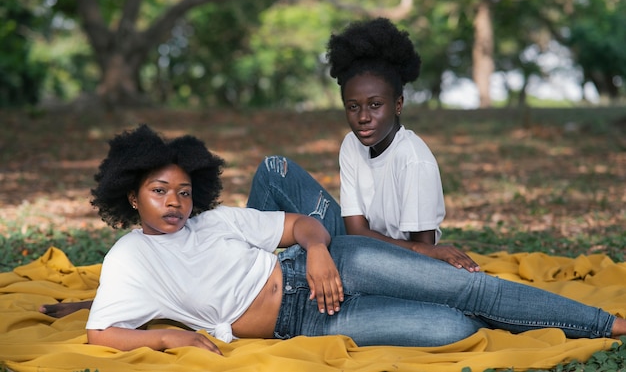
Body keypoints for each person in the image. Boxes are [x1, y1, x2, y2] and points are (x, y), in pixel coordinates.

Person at [42, 125, 626, 354]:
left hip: (323, 268)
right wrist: (171, 338)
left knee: (472, 293)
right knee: (456, 327)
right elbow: (102, 330)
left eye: (185, 191)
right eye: (159, 191)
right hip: (306, 322)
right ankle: (496, 311)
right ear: (131, 197)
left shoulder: (215, 222)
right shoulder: (129, 259)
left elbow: (300, 226)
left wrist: (317, 251)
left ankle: (607, 323)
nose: (175, 203)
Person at [246, 17, 478, 272]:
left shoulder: (414, 160)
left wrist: (414, 252)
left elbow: (424, 256)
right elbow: (355, 230)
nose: (364, 117)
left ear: (398, 104)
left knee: (342, 252)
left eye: (375, 105)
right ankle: (246, 272)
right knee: (274, 170)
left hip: (393, 265)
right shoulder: (351, 144)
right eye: (353, 107)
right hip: (356, 243)